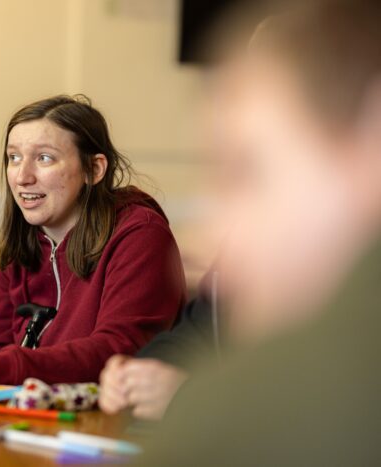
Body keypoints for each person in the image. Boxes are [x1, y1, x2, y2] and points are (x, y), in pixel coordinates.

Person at [140, 0, 381, 464]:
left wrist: (193, 396)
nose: (210, 235)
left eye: (245, 171)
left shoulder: (245, 419)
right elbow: (196, 327)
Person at [0, 95, 186, 386]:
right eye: (14, 158)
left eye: (44, 158)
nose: (22, 177)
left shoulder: (141, 234)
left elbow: (118, 352)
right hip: (32, 420)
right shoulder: (23, 243)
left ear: (94, 169)